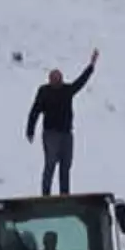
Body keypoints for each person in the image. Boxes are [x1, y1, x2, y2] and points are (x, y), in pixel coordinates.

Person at [26, 48, 98, 195]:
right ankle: (46, 194)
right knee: (50, 164)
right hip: (51, 134)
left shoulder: (67, 90)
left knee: (66, 166)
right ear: (50, 80)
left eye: (59, 79)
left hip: (66, 134)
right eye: (54, 79)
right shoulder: (44, 91)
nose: (57, 81)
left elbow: (81, 81)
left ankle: (64, 194)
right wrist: (30, 130)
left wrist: (91, 65)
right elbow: (35, 111)